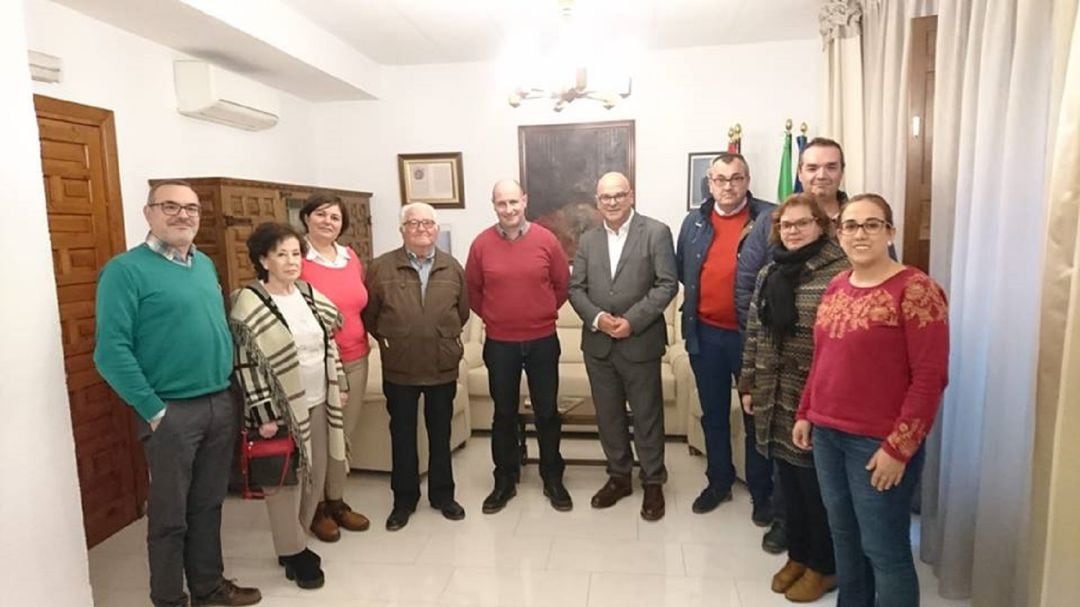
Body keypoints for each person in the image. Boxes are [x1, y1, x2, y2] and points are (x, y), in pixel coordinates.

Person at [93, 180, 261, 607]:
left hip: (219, 402)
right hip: (171, 412)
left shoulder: (202, 264)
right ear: (148, 213)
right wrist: (153, 409)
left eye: (191, 208)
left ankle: (208, 588)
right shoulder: (125, 271)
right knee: (170, 516)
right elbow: (110, 351)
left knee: (208, 505)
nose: (183, 215)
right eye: (170, 206)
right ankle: (169, 598)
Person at [793, 194, 949, 606]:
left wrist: (900, 448)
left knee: (884, 549)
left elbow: (930, 379)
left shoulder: (917, 290)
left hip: (878, 444)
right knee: (844, 539)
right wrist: (806, 411)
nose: (859, 234)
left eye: (871, 225)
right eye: (850, 225)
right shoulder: (836, 286)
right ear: (839, 233)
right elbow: (822, 357)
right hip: (827, 436)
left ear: (890, 232)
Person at [740, 194, 849, 602]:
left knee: (816, 487)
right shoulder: (772, 270)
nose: (793, 231)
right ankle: (799, 556)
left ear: (822, 225)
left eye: (803, 223)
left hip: (815, 397)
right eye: (786, 225)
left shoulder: (839, 273)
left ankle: (825, 566)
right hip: (773, 391)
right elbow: (755, 331)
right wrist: (747, 382)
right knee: (789, 480)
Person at [230, 222, 351, 590]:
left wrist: (340, 384)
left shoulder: (307, 293)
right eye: (280, 254)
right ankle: (294, 553)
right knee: (284, 482)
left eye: (296, 253)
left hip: (317, 398)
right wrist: (264, 414)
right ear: (263, 259)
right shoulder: (249, 301)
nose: (290, 261)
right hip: (280, 408)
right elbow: (246, 362)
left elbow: (328, 341)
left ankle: (295, 539)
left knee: (315, 473)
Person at [675, 153, 778, 530]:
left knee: (756, 417)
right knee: (714, 414)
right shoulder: (695, 222)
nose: (728, 186)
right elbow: (685, 270)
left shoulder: (769, 219)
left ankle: (762, 493)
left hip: (753, 337)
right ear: (710, 182)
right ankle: (718, 482)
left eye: (736, 178)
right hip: (705, 334)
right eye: (720, 179)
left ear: (748, 180)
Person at [568, 171, 678, 521]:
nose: (612, 202)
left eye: (618, 195)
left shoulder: (656, 232)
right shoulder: (587, 239)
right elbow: (575, 289)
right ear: (597, 201)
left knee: (647, 416)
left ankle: (652, 481)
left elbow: (666, 284)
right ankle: (619, 477)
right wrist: (599, 319)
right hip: (598, 345)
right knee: (609, 416)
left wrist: (631, 320)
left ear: (631, 195)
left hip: (640, 341)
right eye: (605, 197)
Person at [466, 179, 572, 513]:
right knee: (504, 414)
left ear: (525, 201)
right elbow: (473, 291)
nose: (509, 209)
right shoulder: (481, 244)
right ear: (494, 205)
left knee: (547, 412)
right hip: (500, 342)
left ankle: (552, 476)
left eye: (514, 202)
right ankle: (504, 480)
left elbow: (562, 285)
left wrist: (539, 313)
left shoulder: (547, 240)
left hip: (542, 339)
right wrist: (500, 317)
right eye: (502, 204)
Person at [363, 202, 470, 531]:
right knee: (403, 435)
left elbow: (462, 312)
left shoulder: (453, 267)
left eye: (428, 223)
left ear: (436, 229)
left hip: (441, 366)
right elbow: (371, 316)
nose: (422, 228)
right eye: (413, 223)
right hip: (400, 367)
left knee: (441, 434)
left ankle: (443, 495)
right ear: (402, 230)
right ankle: (404, 500)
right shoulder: (381, 268)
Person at [296, 193, 371, 541]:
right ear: (307, 217)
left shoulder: (350, 256)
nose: (328, 221)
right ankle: (316, 510)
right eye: (321, 215)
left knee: (345, 435)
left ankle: (337, 501)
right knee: (318, 439)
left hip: (356, 357)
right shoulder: (297, 257)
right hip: (314, 363)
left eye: (335, 217)